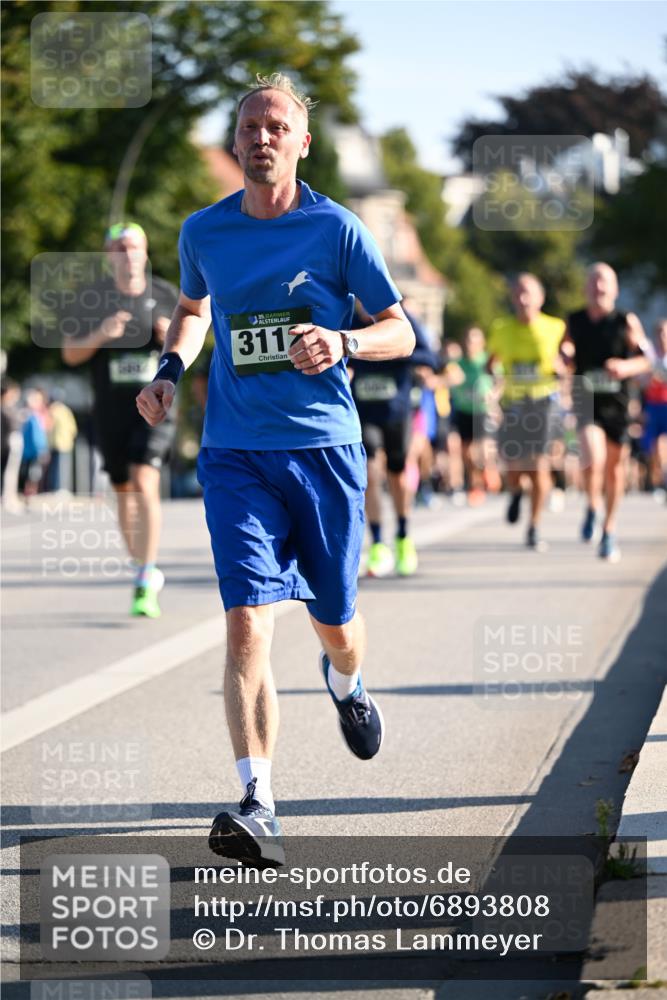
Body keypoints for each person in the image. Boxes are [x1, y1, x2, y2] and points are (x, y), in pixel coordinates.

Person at [136, 73, 414, 867]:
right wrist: (168, 370)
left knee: (336, 622)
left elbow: (400, 329)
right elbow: (193, 311)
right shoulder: (204, 231)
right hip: (235, 453)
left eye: (276, 126)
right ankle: (260, 803)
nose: (261, 137)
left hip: (324, 449)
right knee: (247, 619)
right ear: (234, 142)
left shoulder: (337, 230)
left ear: (301, 142)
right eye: (249, 125)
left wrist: (346, 340)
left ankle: (346, 681)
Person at [62, 222, 179, 617]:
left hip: (156, 408)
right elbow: (70, 354)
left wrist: (169, 338)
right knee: (123, 490)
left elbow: (191, 342)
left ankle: (145, 575)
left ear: (145, 253)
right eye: (119, 248)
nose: (128, 255)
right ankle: (141, 564)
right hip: (111, 412)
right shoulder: (92, 298)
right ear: (108, 256)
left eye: (134, 247)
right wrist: (100, 334)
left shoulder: (165, 294)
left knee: (144, 477)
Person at [564, 263, 651, 561]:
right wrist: (563, 358)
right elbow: (562, 351)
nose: (599, 288)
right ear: (585, 288)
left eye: (604, 283)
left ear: (614, 290)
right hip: (588, 402)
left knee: (615, 471)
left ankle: (609, 529)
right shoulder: (575, 320)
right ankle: (591, 504)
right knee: (592, 457)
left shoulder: (626, 321)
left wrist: (625, 366)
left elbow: (646, 360)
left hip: (619, 404)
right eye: (594, 282)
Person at [349, 300, 440, 577]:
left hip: (396, 412)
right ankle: (377, 544)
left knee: (397, 474)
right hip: (364, 412)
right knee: (370, 473)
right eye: (359, 298)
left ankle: (402, 535)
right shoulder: (347, 318)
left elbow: (430, 357)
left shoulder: (399, 317)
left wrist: (387, 349)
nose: (365, 304)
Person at [487, 274, 566, 551]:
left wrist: (563, 368)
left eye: (528, 294)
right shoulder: (500, 328)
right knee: (514, 467)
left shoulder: (556, 327)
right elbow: (491, 363)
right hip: (512, 404)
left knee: (539, 465)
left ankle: (534, 526)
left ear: (540, 298)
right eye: (518, 293)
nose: (523, 299)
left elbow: (568, 359)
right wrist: (494, 380)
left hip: (543, 402)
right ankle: (516, 491)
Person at [447, 326, 498, 505]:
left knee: (483, 450)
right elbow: (449, 380)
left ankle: (487, 472)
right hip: (464, 410)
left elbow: (501, 381)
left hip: (482, 410)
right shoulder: (458, 363)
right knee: (467, 454)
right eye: (468, 340)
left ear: (481, 343)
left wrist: (494, 396)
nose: (471, 344)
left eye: (475, 340)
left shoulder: (487, 361)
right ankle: (475, 485)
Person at [642, 319, 667, 499]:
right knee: (655, 448)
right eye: (659, 333)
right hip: (653, 406)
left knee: (664, 445)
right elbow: (641, 381)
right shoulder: (650, 356)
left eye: (665, 333)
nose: (662, 337)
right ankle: (659, 480)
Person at [47, 390, 78, 492]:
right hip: (65, 443)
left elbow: (48, 427)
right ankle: (59, 488)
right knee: (62, 468)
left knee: (56, 468)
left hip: (56, 443)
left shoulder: (52, 410)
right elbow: (73, 428)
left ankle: (56, 488)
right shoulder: (66, 410)